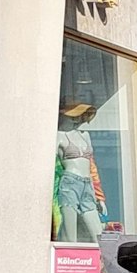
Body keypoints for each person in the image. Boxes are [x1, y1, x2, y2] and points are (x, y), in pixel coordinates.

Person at [53, 103, 107, 242]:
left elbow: (92, 168)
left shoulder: (85, 135)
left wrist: (100, 197)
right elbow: (49, 165)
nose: (77, 119)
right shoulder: (59, 135)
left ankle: (101, 262)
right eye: (74, 115)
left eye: (80, 115)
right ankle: (70, 260)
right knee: (70, 235)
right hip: (70, 182)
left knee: (98, 235)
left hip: (87, 185)